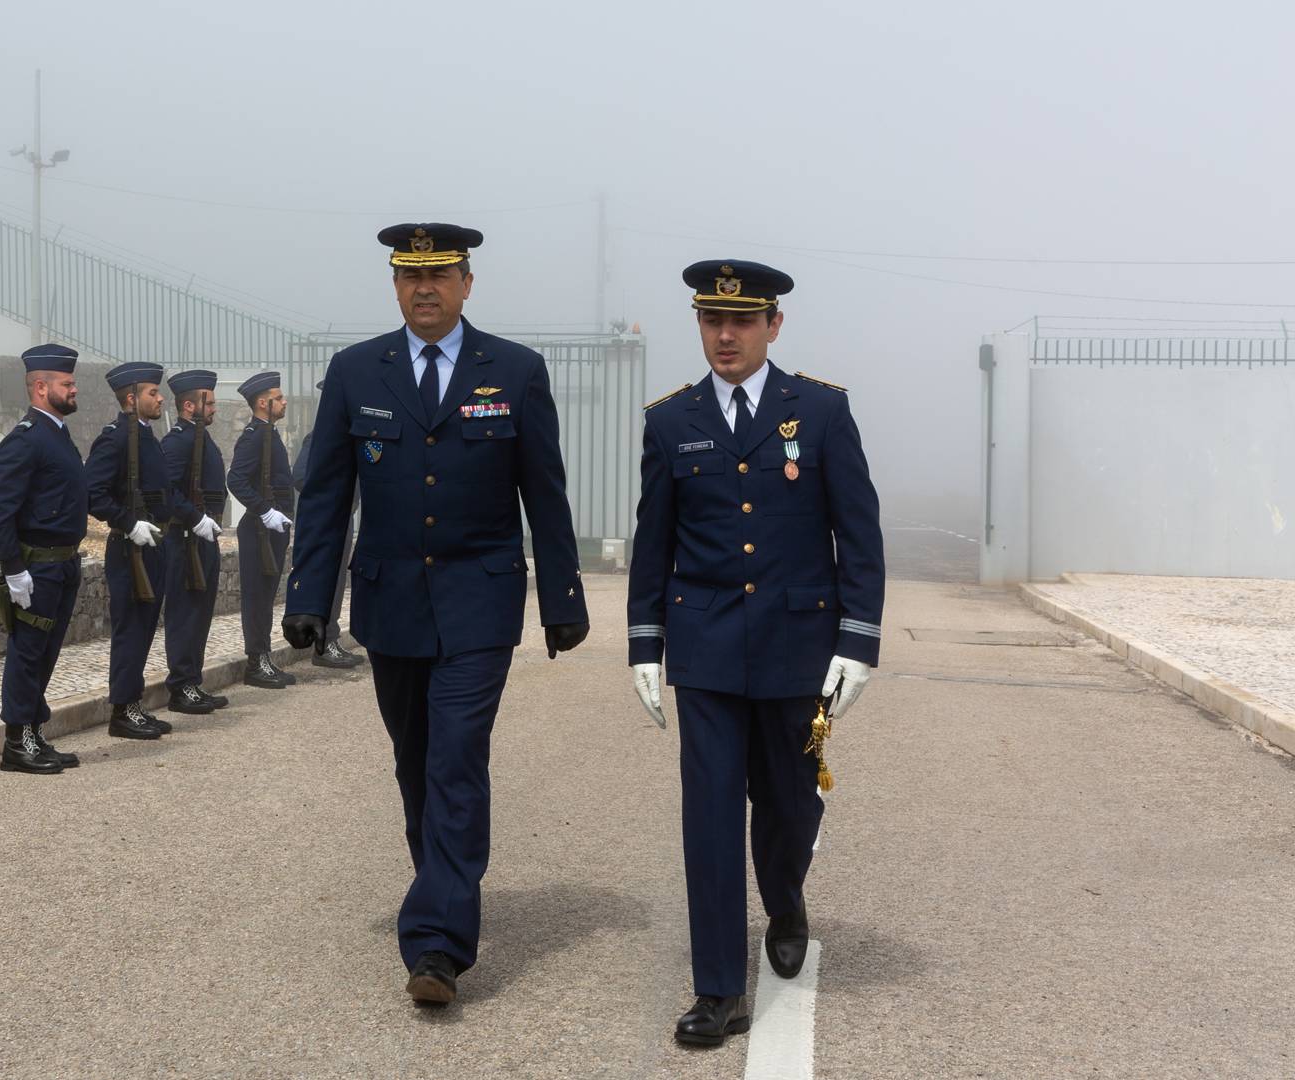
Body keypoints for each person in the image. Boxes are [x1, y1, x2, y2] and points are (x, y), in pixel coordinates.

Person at [282, 223, 590, 1005]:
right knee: (415, 763)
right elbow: (326, 497)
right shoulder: (356, 372)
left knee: (456, 757)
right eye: (410, 275)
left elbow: (544, 494)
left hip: (480, 602)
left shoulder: (514, 372)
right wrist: (309, 599)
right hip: (391, 604)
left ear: (467, 283)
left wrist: (562, 597)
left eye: (441, 274)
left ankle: (437, 946)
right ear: (394, 286)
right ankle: (443, 887)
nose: (425, 288)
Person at [626, 260, 885, 1047]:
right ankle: (718, 991)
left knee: (788, 800)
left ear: (774, 326)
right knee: (707, 816)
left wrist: (859, 640)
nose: (725, 335)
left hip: (796, 644)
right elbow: (654, 542)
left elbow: (859, 535)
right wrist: (645, 642)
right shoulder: (671, 420)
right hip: (703, 648)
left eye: (741, 322)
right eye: (711, 321)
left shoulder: (822, 411)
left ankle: (787, 897)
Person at [0, 343, 89, 775]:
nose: (75, 388)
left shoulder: (58, 434)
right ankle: (16, 741)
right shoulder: (25, 438)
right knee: (27, 652)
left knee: (45, 652)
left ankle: (33, 731)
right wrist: (13, 570)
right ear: (41, 387)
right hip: (36, 565)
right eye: (68, 383)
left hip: (62, 562)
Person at [84, 361, 176, 740]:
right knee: (130, 631)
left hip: (153, 546)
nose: (160, 398)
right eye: (153, 393)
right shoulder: (116, 437)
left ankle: (133, 704)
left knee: (144, 629)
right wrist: (127, 523)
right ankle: (122, 711)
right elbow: (92, 494)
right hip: (130, 549)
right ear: (130, 398)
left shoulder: (146, 436)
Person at [159, 369, 232, 715]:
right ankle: (180, 686)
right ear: (189, 406)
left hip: (204, 538)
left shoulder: (200, 438)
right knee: (184, 614)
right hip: (185, 538)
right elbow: (168, 491)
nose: (215, 409)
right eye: (210, 402)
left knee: (199, 614)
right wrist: (194, 518)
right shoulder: (178, 441)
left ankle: (192, 681)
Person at [228, 371, 298, 690]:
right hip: (258, 528)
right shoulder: (256, 435)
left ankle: (263, 656)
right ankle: (256, 662)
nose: (284, 402)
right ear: (262, 402)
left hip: (272, 528)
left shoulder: (269, 433)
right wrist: (265, 511)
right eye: (279, 398)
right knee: (257, 597)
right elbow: (236, 480)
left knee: (266, 596)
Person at [294, 379, 365, 670]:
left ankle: (330, 641)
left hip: (344, 517)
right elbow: (299, 476)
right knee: (329, 579)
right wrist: (331, 500)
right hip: (330, 520)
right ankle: (325, 646)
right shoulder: (317, 438)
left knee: (337, 582)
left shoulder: (352, 438)